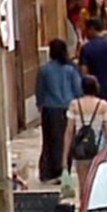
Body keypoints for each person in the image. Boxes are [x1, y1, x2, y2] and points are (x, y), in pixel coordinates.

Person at [35, 38, 83, 184]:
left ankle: (50, 171)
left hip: (50, 109)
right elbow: (78, 89)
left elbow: (40, 90)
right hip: (68, 109)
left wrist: (40, 104)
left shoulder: (44, 69)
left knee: (50, 140)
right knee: (67, 140)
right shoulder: (71, 69)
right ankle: (64, 169)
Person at [63, 75, 107, 193]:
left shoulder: (74, 105)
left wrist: (65, 156)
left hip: (80, 149)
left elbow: (69, 131)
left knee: (83, 185)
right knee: (98, 183)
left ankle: (83, 205)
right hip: (99, 148)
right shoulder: (103, 105)